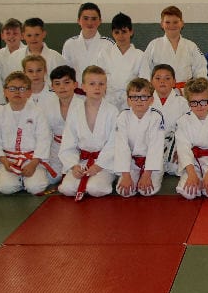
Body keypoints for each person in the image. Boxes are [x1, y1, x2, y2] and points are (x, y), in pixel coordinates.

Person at [57, 66, 118, 200]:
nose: (97, 88)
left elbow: (114, 143)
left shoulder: (112, 111)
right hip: (82, 161)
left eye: (101, 84)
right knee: (67, 188)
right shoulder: (75, 111)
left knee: (95, 188)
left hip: (105, 163)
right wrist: (74, 165)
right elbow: (68, 141)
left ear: (106, 86)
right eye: (92, 84)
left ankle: (107, 178)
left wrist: (98, 165)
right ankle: (82, 177)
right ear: (83, 87)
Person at [0, 72, 54, 195]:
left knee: (36, 188)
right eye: (12, 88)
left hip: (32, 159)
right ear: (5, 92)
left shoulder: (37, 113)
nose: (17, 92)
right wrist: (4, 162)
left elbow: (44, 140)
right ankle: (18, 180)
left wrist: (33, 164)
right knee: (6, 188)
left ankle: (29, 178)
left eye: (22, 89)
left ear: (29, 92)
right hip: (9, 159)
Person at [175, 78, 208, 199]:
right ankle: (194, 178)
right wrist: (191, 174)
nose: (199, 106)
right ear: (188, 103)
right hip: (192, 163)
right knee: (188, 193)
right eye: (194, 102)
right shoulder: (183, 122)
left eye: (203, 102)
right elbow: (183, 149)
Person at [112, 78, 166, 197]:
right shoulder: (123, 117)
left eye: (143, 97)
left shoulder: (156, 117)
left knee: (147, 191)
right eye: (134, 97)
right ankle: (130, 175)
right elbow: (121, 147)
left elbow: (155, 147)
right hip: (131, 162)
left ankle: (150, 175)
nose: (139, 101)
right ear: (128, 100)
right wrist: (126, 175)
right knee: (125, 192)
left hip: (151, 164)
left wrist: (147, 175)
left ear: (151, 100)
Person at [144, 5, 208, 87]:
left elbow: (201, 69)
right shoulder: (154, 45)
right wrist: (148, 89)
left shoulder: (191, 46)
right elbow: (145, 70)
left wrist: (199, 88)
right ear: (162, 24)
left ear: (182, 23)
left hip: (185, 91)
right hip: (160, 90)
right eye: (167, 22)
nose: (171, 26)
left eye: (175, 22)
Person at [39, 65, 81, 184]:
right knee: (51, 178)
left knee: (75, 179)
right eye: (57, 83)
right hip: (56, 146)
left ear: (75, 84)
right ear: (52, 87)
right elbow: (44, 134)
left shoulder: (84, 105)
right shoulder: (46, 106)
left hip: (77, 148)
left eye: (66, 82)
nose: (62, 87)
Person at [97, 12, 147, 111]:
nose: (120, 36)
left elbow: (144, 81)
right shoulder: (104, 54)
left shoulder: (140, 55)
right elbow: (98, 79)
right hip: (108, 100)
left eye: (124, 31)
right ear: (112, 33)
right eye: (117, 32)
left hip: (132, 101)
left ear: (131, 32)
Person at [151, 65, 190, 176]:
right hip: (152, 143)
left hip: (174, 143)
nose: (162, 81)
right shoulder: (145, 101)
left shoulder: (182, 103)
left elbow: (187, 129)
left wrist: (181, 149)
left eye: (167, 78)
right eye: (158, 78)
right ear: (151, 82)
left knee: (178, 166)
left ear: (174, 82)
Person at [7, 18, 66, 87]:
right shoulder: (14, 57)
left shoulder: (56, 58)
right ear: (23, 36)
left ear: (44, 34)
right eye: (29, 35)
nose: (33, 39)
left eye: (37, 35)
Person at [62, 3, 113, 81]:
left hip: (100, 88)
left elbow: (112, 72)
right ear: (78, 21)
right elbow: (66, 73)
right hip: (77, 88)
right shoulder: (70, 44)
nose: (89, 23)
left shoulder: (108, 44)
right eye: (85, 18)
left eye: (94, 19)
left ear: (100, 21)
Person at [0, 18, 26, 87]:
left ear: (22, 35)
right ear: (2, 35)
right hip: (4, 91)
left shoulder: (29, 53)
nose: (11, 36)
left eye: (15, 33)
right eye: (8, 33)